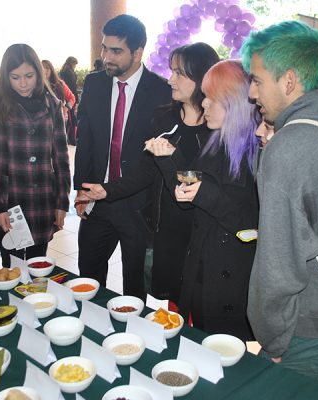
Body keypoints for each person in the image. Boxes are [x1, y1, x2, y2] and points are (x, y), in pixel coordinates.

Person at [78, 43, 219, 307]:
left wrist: (170, 159)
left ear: (201, 78)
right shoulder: (163, 118)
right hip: (166, 229)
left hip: (201, 232)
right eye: (171, 71)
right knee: (172, 302)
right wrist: (107, 191)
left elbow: (203, 187)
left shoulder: (217, 128)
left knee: (197, 306)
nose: (170, 79)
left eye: (179, 73)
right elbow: (145, 172)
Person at [241, 20, 318, 381]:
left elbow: (278, 267)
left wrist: (273, 340)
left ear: (289, 81)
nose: (250, 92)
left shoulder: (289, 146)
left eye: (258, 79)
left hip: (309, 331)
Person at [146, 60, 260, 340]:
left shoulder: (259, 152)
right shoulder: (215, 141)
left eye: (211, 98)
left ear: (233, 103)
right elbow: (187, 197)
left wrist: (204, 194)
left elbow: (251, 227)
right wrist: (167, 158)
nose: (204, 104)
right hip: (201, 266)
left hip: (230, 277)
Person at [73, 14, 172, 299]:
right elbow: (86, 142)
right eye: (105, 48)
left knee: (134, 289)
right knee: (88, 279)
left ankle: (132, 341)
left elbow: (157, 158)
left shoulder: (162, 92)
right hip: (97, 201)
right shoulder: (94, 84)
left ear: (138, 52)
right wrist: (82, 189)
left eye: (116, 51)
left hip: (138, 205)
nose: (107, 57)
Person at [0, 44, 70, 267]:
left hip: (42, 200)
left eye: (29, 75)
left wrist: (62, 203)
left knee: (39, 266)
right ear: (6, 76)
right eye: (15, 77)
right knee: (13, 270)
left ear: (39, 72)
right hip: (9, 201)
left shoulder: (53, 105)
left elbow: (61, 159)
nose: (23, 83)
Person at [59, 56, 79, 145]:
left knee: (68, 119)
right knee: (71, 120)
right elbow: (73, 87)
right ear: (72, 63)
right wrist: (76, 100)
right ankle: (72, 139)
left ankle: (69, 139)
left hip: (64, 98)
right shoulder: (70, 72)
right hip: (69, 98)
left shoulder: (62, 71)